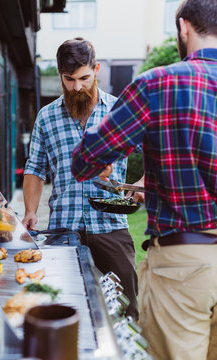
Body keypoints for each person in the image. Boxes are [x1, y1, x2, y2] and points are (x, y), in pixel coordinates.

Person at [71, 1, 217, 359]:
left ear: (183, 28)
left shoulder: (160, 82)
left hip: (186, 263)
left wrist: (108, 157)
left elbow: (85, 161)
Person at [22, 37, 139, 320]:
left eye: (84, 78)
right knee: (63, 306)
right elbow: (36, 169)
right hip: (64, 229)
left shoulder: (119, 111)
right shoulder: (46, 117)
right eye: (69, 79)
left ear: (96, 69)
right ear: (60, 75)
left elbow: (158, 150)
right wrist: (29, 211)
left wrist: (142, 183)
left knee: (127, 308)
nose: (77, 87)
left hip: (111, 225)